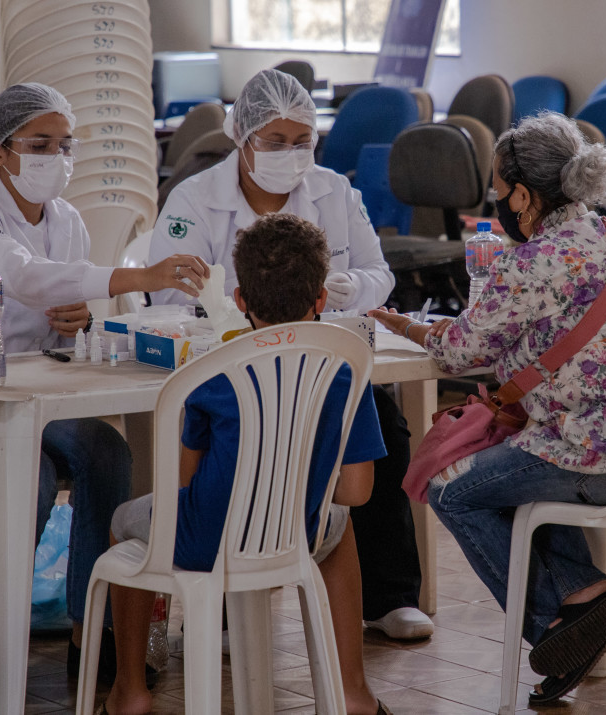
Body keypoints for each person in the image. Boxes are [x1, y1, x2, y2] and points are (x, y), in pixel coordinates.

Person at [0, 83, 209, 703]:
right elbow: (20, 275)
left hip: (32, 390)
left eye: (65, 145)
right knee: (24, 470)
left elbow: (56, 305)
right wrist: (138, 275)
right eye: (39, 145)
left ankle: (97, 631)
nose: (55, 158)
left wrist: (80, 319)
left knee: (108, 452)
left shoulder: (68, 221)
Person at [371, 112, 606, 704]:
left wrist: (411, 327)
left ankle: (552, 627)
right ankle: (584, 594)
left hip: (601, 453)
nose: (497, 203)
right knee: (510, 470)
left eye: (499, 192)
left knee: (452, 487)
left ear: (524, 195)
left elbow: (462, 350)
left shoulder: (533, 260)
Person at [150, 68, 434, 640]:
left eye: (301, 140)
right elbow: (165, 294)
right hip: (232, 373)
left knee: (387, 428)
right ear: (241, 136)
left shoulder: (334, 190)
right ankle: (228, 609)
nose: (290, 153)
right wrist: (229, 313)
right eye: (274, 142)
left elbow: (380, 274)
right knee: (234, 447)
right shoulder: (195, 199)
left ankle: (388, 596)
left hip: (323, 366)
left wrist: (347, 286)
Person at [104, 214, 391, 715]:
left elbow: (186, 482)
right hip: (294, 538)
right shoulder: (344, 369)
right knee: (339, 529)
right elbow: (357, 492)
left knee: (123, 523)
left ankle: (130, 689)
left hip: (204, 542)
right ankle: (354, 691)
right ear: (321, 298)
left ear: (239, 301)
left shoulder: (211, 373)